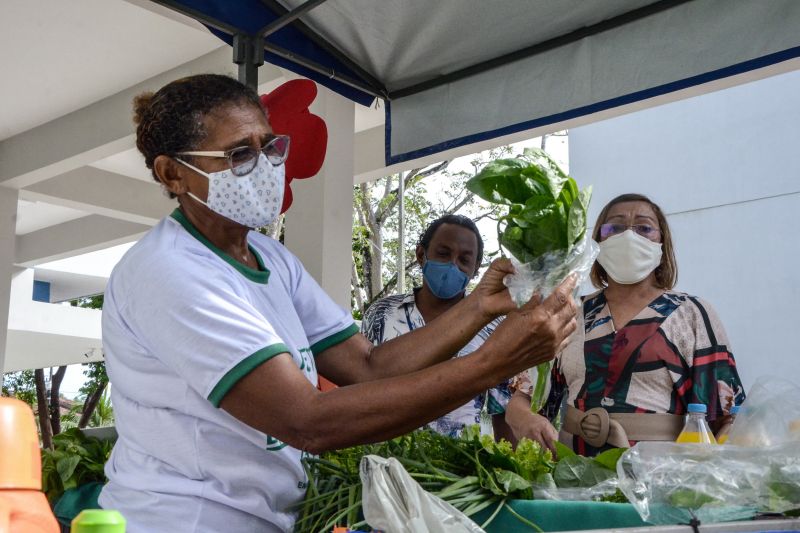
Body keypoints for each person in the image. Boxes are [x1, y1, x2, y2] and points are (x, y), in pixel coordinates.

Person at [98, 74, 578, 532]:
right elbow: (308, 421)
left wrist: (478, 307)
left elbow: (368, 365)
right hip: (187, 522)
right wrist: (495, 362)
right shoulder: (172, 271)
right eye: (239, 154)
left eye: (270, 147)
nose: (264, 166)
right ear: (172, 173)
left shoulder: (269, 257)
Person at [505, 193, 745, 457]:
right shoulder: (570, 311)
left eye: (644, 227)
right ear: (597, 241)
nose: (629, 236)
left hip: (658, 478)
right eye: (614, 228)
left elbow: (725, 418)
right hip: (573, 474)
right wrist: (523, 418)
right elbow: (525, 396)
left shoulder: (691, 314)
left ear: (661, 243)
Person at [361, 215, 512, 439]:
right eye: (443, 254)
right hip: (385, 460)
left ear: (476, 268)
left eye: (464, 260)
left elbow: (503, 412)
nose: (453, 265)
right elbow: (358, 388)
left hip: (460, 469)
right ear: (421, 255)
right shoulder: (382, 314)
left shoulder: (493, 326)